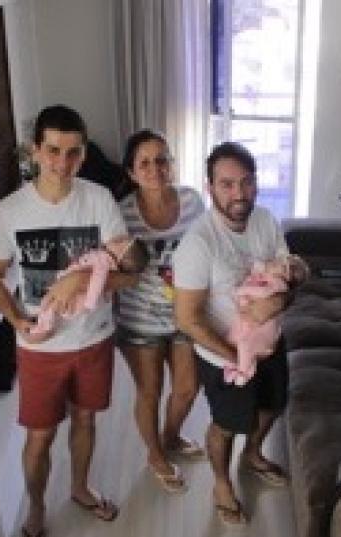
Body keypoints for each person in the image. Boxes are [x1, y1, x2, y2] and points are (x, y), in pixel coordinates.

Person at [0, 105, 136, 537]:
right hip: (39, 349)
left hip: (94, 338)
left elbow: (129, 272)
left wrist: (80, 281)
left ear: (84, 154)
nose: (62, 162)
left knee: (87, 420)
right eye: (53, 151)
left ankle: (81, 488)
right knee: (40, 436)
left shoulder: (99, 201)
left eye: (72, 153)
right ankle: (35, 509)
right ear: (36, 151)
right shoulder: (10, 211)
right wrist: (17, 321)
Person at [173, 141, 307, 525]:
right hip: (223, 357)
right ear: (210, 186)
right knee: (226, 425)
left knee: (272, 406)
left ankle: (253, 454)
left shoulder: (265, 220)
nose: (239, 193)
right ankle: (221, 484)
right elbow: (188, 319)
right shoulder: (197, 244)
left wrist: (280, 303)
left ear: (256, 184)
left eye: (246, 182)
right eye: (227, 184)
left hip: (270, 345)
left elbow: (292, 272)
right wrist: (235, 359)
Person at [115, 129, 207, 494]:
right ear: (132, 172)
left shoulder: (192, 201)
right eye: (145, 163)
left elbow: (207, 251)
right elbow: (112, 269)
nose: (155, 168)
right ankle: (155, 455)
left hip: (186, 314)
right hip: (139, 319)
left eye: (162, 160)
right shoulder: (120, 214)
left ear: (171, 164)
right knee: (149, 392)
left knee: (187, 388)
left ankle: (168, 438)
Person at [30, 236, 149, 336]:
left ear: (120, 255)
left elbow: (98, 281)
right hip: (69, 289)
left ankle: (44, 326)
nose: (116, 239)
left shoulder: (104, 260)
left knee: (51, 306)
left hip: (76, 297)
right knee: (47, 302)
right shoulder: (105, 258)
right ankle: (42, 320)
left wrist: (90, 303)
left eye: (121, 242)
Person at [224, 255, 307, 386]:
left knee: (245, 345)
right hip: (246, 315)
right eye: (281, 261)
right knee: (231, 339)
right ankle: (231, 367)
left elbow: (263, 292)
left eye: (283, 266)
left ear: (286, 277)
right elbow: (255, 269)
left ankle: (244, 372)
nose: (277, 264)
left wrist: (241, 291)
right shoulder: (267, 273)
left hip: (259, 325)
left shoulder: (279, 284)